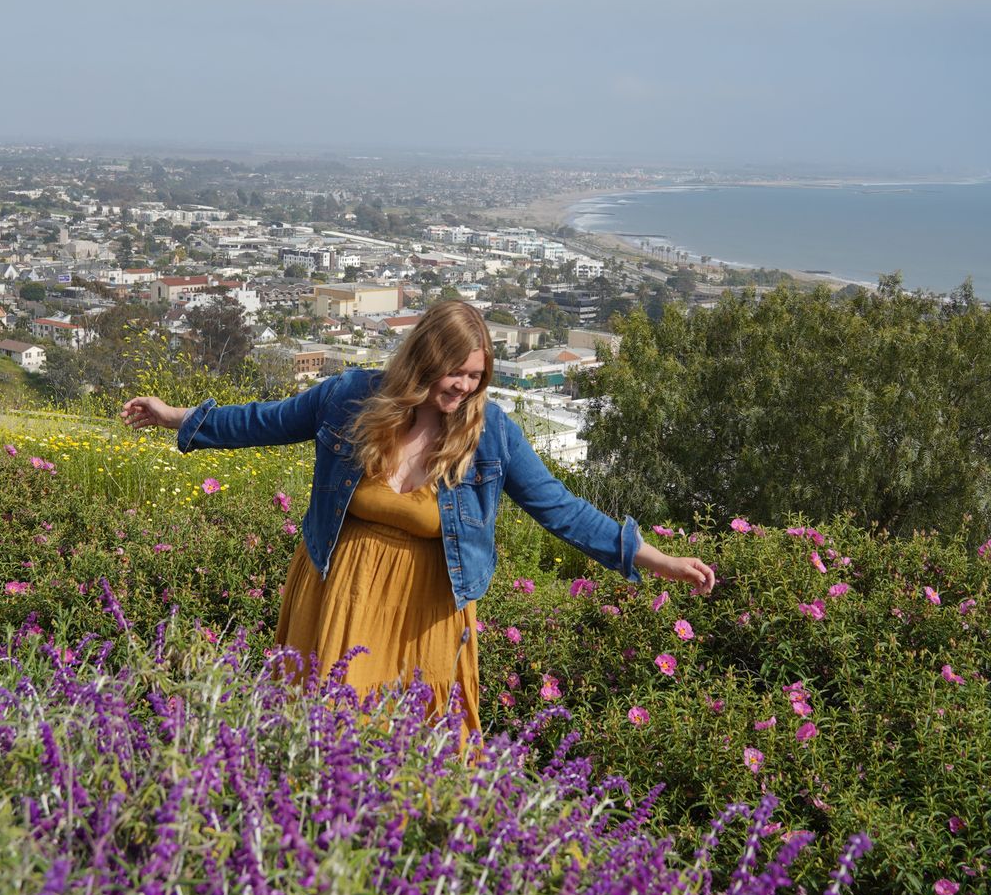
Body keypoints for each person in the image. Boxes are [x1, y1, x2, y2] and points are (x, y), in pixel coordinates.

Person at [120, 298, 713, 744]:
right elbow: (262, 422)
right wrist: (175, 417)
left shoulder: (492, 435)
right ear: (421, 360)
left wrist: (654, 558)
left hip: (426, 607)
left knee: (422, 741)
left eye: (475, 375)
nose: (463, 386)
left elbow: (560, 509)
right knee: (324, 730)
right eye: (452, 372)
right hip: (339, 588)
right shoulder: (348, 398)